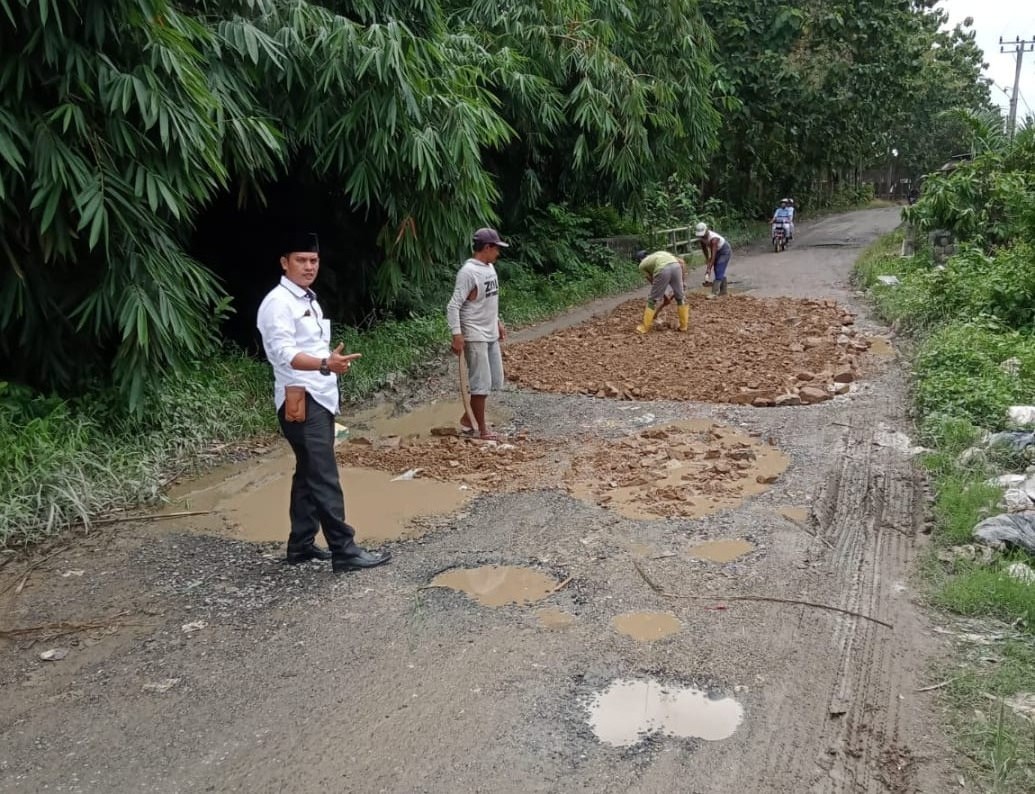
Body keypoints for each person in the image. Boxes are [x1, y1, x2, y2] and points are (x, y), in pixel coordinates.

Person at [256, 231, 391, 574]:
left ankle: (300, 546)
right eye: (301, 260)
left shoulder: (308, 300)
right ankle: (344, 551)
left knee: (308, 472)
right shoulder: (278, 304)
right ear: (284, 263)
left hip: (321, 397)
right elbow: (282, 354)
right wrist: (323, 364)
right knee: (324, 475)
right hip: (301, 401)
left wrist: (326, 360)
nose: (309, 266)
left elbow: (311, 347)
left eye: (313, 260)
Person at [446, 227, 508, 440]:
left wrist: (498, 322)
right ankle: (481, 430)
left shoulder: (490, 269)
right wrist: (457, 335)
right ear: (487, 248)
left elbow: (491, 300)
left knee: (494, 381)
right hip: (474, 333)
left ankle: (467, 418)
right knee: (480, 384)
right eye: (496, 249)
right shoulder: (468, 272)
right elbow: (453, 306)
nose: (498, 253)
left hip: (490, 331)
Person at [632, 249, 689, 333]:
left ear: (639, 260)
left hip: (663, 270)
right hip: (676, 267)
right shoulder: (659, 254)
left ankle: (644, 328)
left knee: (652, 300)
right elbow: (681, 263)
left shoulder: (642, 265)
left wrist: (664, 296)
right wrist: (682, 281)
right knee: (680, 298)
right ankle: (683, 327)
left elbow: (653, 282)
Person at [695, 222, 732, 299]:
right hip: (717, 251)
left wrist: (708, 269)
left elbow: (713, 256)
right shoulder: (701, 238)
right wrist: (707, 259)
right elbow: (704, 249)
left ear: (706, 230)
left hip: (724, 251)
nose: (701, 236)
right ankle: (723, 291)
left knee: (719, 269)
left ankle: (714, 293)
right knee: (718, 270)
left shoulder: (714, 239)